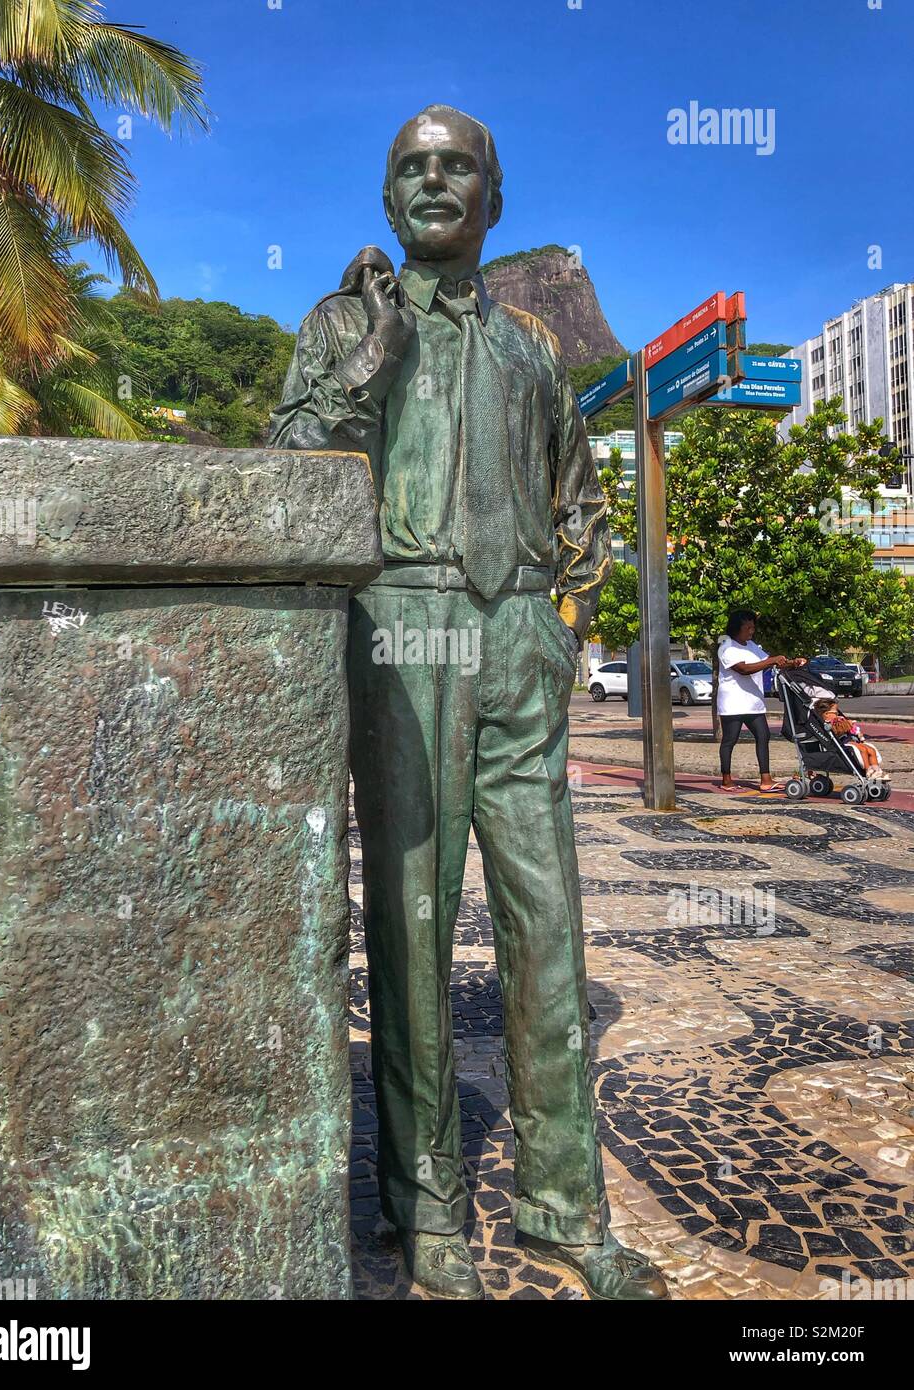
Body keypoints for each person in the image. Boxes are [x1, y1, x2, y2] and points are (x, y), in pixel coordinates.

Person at [268, 105, 668, 1302]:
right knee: (411, 916)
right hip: (406, 626)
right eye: (413, 168)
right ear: (388, 199)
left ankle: (563, 1203)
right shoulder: (344, 320)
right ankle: (424, 1200)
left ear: (494, 198)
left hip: (517, 639)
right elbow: (291, 462)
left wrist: (560, 623)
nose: (434, 182)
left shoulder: (533, 349)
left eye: (458, 168)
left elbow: (582, 505)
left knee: (550, 922)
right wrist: (365, 370)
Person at [717, 610, 805, 793]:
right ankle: (726, 780)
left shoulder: (752, 646)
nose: (751, 631)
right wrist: (772, 660)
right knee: (730, 740)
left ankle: (765, 779)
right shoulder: (727, 647)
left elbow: (767, 661)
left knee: (763, 736)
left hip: (753, 702)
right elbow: (743, 669)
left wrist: (792, 663)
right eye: (747, 628)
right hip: (732, 703)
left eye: (753, 627)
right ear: (736, 628)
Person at [811, 696, 885, 778]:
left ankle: (877, 770)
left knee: (871, 749)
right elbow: (835, 733)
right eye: (835, 713)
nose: (837, 714)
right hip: (842, 743)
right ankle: (868, 770)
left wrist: (850, 726)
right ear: (826, 714)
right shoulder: (826, 725)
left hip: (850, 740)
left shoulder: (839, 720)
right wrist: (841, 726)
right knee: (863, 749)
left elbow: (851, 729)